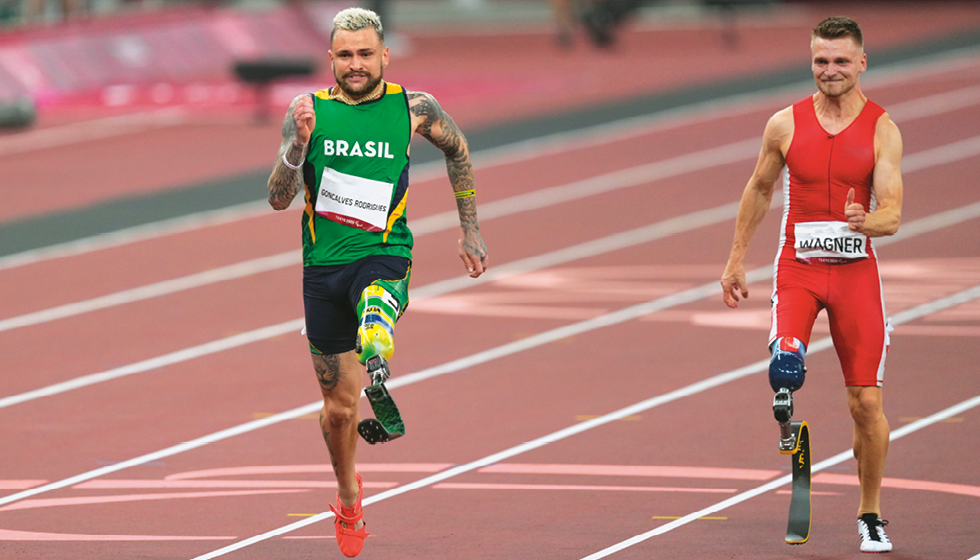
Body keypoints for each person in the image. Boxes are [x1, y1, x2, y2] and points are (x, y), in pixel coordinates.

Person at [266, 7, 489, 557]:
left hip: (384, 254)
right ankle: (348, 493)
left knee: (376, 301)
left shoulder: (412, 109)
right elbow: (276, 198)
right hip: (323, 270)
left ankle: (377, 331)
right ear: (332, 60)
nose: (356, 64)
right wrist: (296, 146)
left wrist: (471, 229)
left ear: (384, 55)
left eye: (366, 54)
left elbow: (457, 148)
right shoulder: (309, 113)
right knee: (339, 408)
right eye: (346, 55)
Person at [720, 16, 902, 553]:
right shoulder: (784, 124)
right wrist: (735, 260)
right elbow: (758, 188)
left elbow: (891, 215)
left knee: (865, 404)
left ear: (862, 62)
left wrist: (862, 222)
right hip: (797, 270)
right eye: (822, 61)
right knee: (786, 367)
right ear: (812, 62)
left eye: (841, 61)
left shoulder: (882, 129)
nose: (831, 71)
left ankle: (870, 515)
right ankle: (786, 408)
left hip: (855, 275)